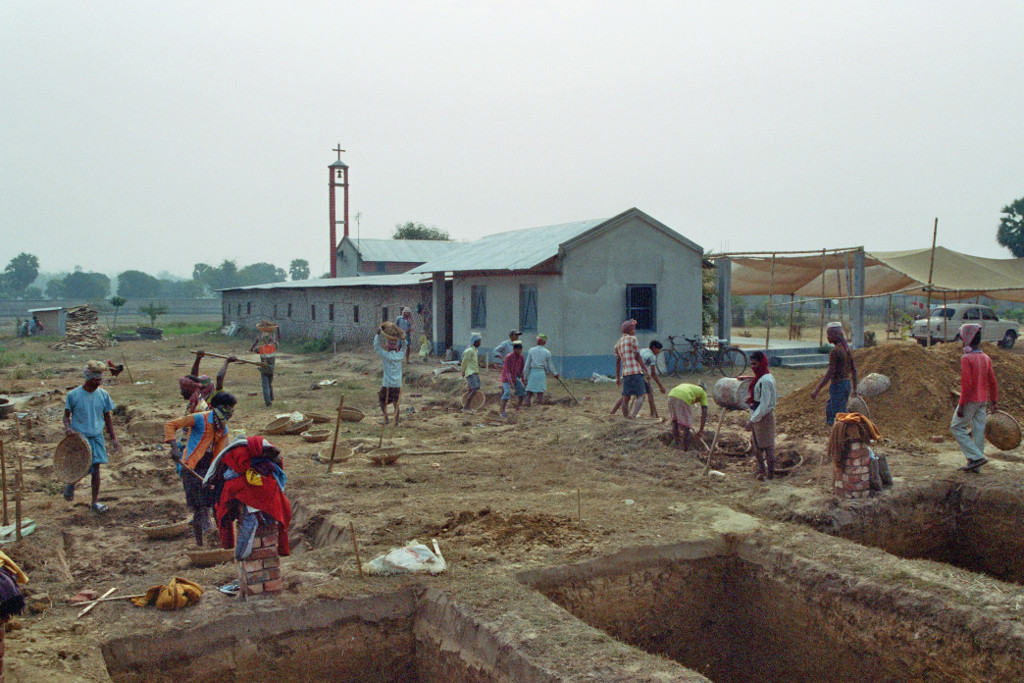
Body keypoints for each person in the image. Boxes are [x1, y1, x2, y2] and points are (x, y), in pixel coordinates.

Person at [163, 392, 236, 546]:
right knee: (199, 507)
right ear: (221, 408)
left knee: (216, 505)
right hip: (192, 467)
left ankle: (220, 540)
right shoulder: (200, 418)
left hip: (210, 468)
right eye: (229, 409)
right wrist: (174, 448)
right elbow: (171, 425)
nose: (231, 413)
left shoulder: (224, 429)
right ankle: (200, 544)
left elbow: (222, 452)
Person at [206, 435, 292, 561]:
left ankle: (245, 550)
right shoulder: (239, 453)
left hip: (253, 485)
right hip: (245, 485)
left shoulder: (252, 452)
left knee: (253, 518)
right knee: (251, 517)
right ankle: (243, 553)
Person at [63, 361, 121, 513]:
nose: (97, 383)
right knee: (82, 466)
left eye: (99, 380)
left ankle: (95, 502)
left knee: (96, 468)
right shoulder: (73, 395)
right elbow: (66, 417)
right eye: (94, 380)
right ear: (87, 378)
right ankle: (71, 483)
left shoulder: (103, 395)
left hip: (96, 436)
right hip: (80, 437)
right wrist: (68, 429)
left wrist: (113, 438)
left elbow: (107, 418)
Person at [951, 323, 998, 472]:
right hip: (983, 400)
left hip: (971, 400)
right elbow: (992, 380)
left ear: (967, 338)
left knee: (957, 427)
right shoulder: (985, 357)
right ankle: (976, 467)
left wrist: (962, 405)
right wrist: (994, 401)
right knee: (978, 431)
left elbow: (967, 385)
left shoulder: (966, 358)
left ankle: (976, 458)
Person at [811, 322, 859, 425]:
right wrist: (854, 388)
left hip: (838, 386)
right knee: (830, 408)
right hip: (846, 384)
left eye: (829, 335)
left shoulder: (835, 351)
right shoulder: (847, 350)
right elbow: (854, 370)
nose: (828, 338)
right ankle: (833, 430)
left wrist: (817, 389)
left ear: (834, 336)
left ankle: (844, 435)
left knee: (841, 416)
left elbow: (830, 372)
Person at [746, 351, 778, 480]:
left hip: (764, 417)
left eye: (755, 364)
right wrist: (751, 400)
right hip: (757, 414)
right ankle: (761, 469)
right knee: (756, 445)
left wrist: (752, 420)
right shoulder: (760, 379)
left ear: (762, 363)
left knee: (767, 447)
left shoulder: (766, 380)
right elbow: (759, 399)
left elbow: (765, 405)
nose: (753, 367)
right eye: (751, 364)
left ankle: (770, 475)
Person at [614, 319, 649, 418]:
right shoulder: (633, 339)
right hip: (635, 372)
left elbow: (617, 363)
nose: (635, 331)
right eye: (633, 329)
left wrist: (617, 378)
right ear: (629, 330)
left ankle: (626, 418)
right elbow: (638, 357)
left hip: (626, 374)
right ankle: (633, 415)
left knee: (626, 398)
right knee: (641, 395)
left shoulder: (618, 344)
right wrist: (645, 370)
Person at [374, 326, 408, 424]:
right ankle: (396, 421)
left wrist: (378, 334)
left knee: (381, 400)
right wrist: (404, 339)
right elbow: (405, 347)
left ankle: (386, 418)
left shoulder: (385, 355)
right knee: (396, 402)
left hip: (387, 383)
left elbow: (376, 346)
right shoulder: (400, 356)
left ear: (387, 345)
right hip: (397, 384)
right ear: (396, 346)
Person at [667, 383, 708, 450]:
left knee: (675, 420)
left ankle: (677, 444)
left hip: (671, 395)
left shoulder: (691, 387)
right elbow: (704, 411)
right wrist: (701, 430)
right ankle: (685, 448)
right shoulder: (703, 393)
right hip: (684, 397)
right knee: (687, 425)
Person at [524, 333, 560, 407]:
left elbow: (527, 365)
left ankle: (527, 405)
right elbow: (550, 366)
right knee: (540, 392)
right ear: (544, 342)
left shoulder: (531, 350)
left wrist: (525, 376)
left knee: (529, 391)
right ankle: (539, 406)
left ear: (537, 341)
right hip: (541, 373)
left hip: (533, 372)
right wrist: (555, 374)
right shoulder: (547, 352)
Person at [250, 327, 279, 407]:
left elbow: (251, 349)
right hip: (271, 369)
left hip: (264, 369)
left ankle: (268, 402)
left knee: (265, 385)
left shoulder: (261, 348)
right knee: (270, 384)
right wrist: (273, 338)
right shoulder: (273, 347)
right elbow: (277, 342)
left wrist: (256, 341)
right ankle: (271, 397)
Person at [499, 341, 527, 418]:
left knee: (522, 391)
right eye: (517, 350)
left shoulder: (521, 357)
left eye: (520, 350)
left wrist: (523, 379)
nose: (519, 351)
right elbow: (507, 371)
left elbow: (521, 370)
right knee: (507, 392)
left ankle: (518, 407)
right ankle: (502, 411)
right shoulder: (509, 357)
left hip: (515, 377)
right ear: (514, 349)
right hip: (506, 378)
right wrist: (511, 383)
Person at [461, 333, 483, 411]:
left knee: (472, 388)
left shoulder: (474, 350)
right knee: (474, 388)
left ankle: (469, 406)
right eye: (479, 342)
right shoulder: (469, 351)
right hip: (470, 372)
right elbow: (464, 362)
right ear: (475, 342)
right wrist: (463, 371)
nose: (480, 343)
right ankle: (466, 406)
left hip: (474, 371)